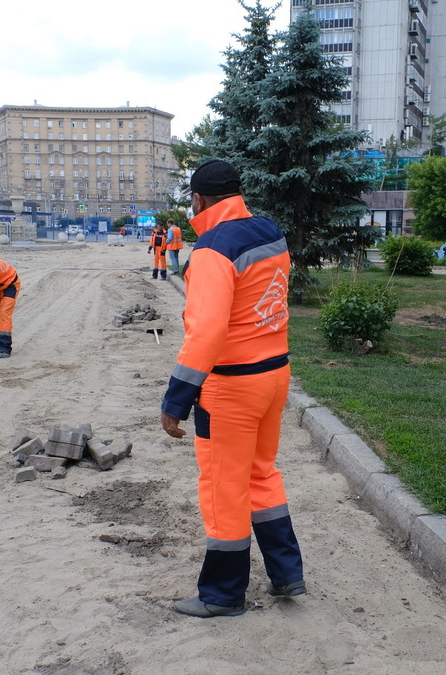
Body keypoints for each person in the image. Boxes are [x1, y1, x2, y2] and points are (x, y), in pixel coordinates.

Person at [160, 159, 304, 618]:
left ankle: (222, 595)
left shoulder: (211, 250)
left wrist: (176, 401)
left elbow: (205, 333)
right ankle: (286, 574)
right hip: (274, 375)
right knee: (261, 473)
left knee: (224, 486)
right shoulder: (269, 232)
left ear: (198, 200)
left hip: (233, 387)